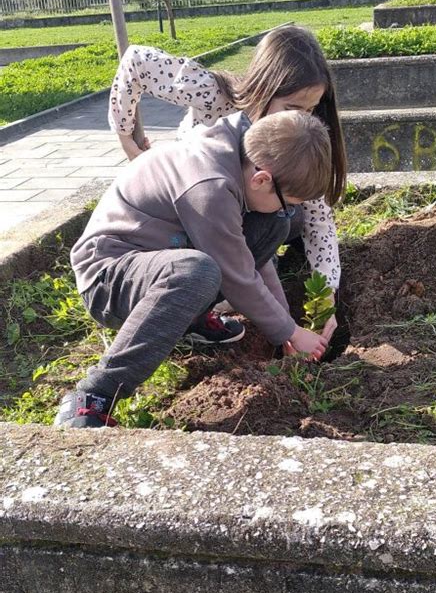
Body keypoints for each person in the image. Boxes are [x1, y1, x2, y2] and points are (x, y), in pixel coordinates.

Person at [54, 108, 332, 428]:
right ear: (261, 179)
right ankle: (93, 395)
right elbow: (238, 274)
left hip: (164, 256)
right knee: (196, 272)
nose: (292, 207)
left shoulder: (240, 156)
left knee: (277, 222)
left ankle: (190, 319)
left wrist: (284, 330)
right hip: (110, 276)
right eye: (291, 199)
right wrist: (292, 331)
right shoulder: (209, 186)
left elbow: (250, 259)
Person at [108, 24, 347, 342]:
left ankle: (249, 276)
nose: (303, 118)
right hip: (187, 221)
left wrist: (327, 292)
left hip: (242, 213)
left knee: (291, 216)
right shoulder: (212, 95)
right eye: (293, 108)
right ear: (264, 87)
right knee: (220, 270)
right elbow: (136, 61)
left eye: (311, 110)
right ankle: (204, 306)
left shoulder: (295, 141)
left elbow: (320, 220)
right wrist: (126, 139)